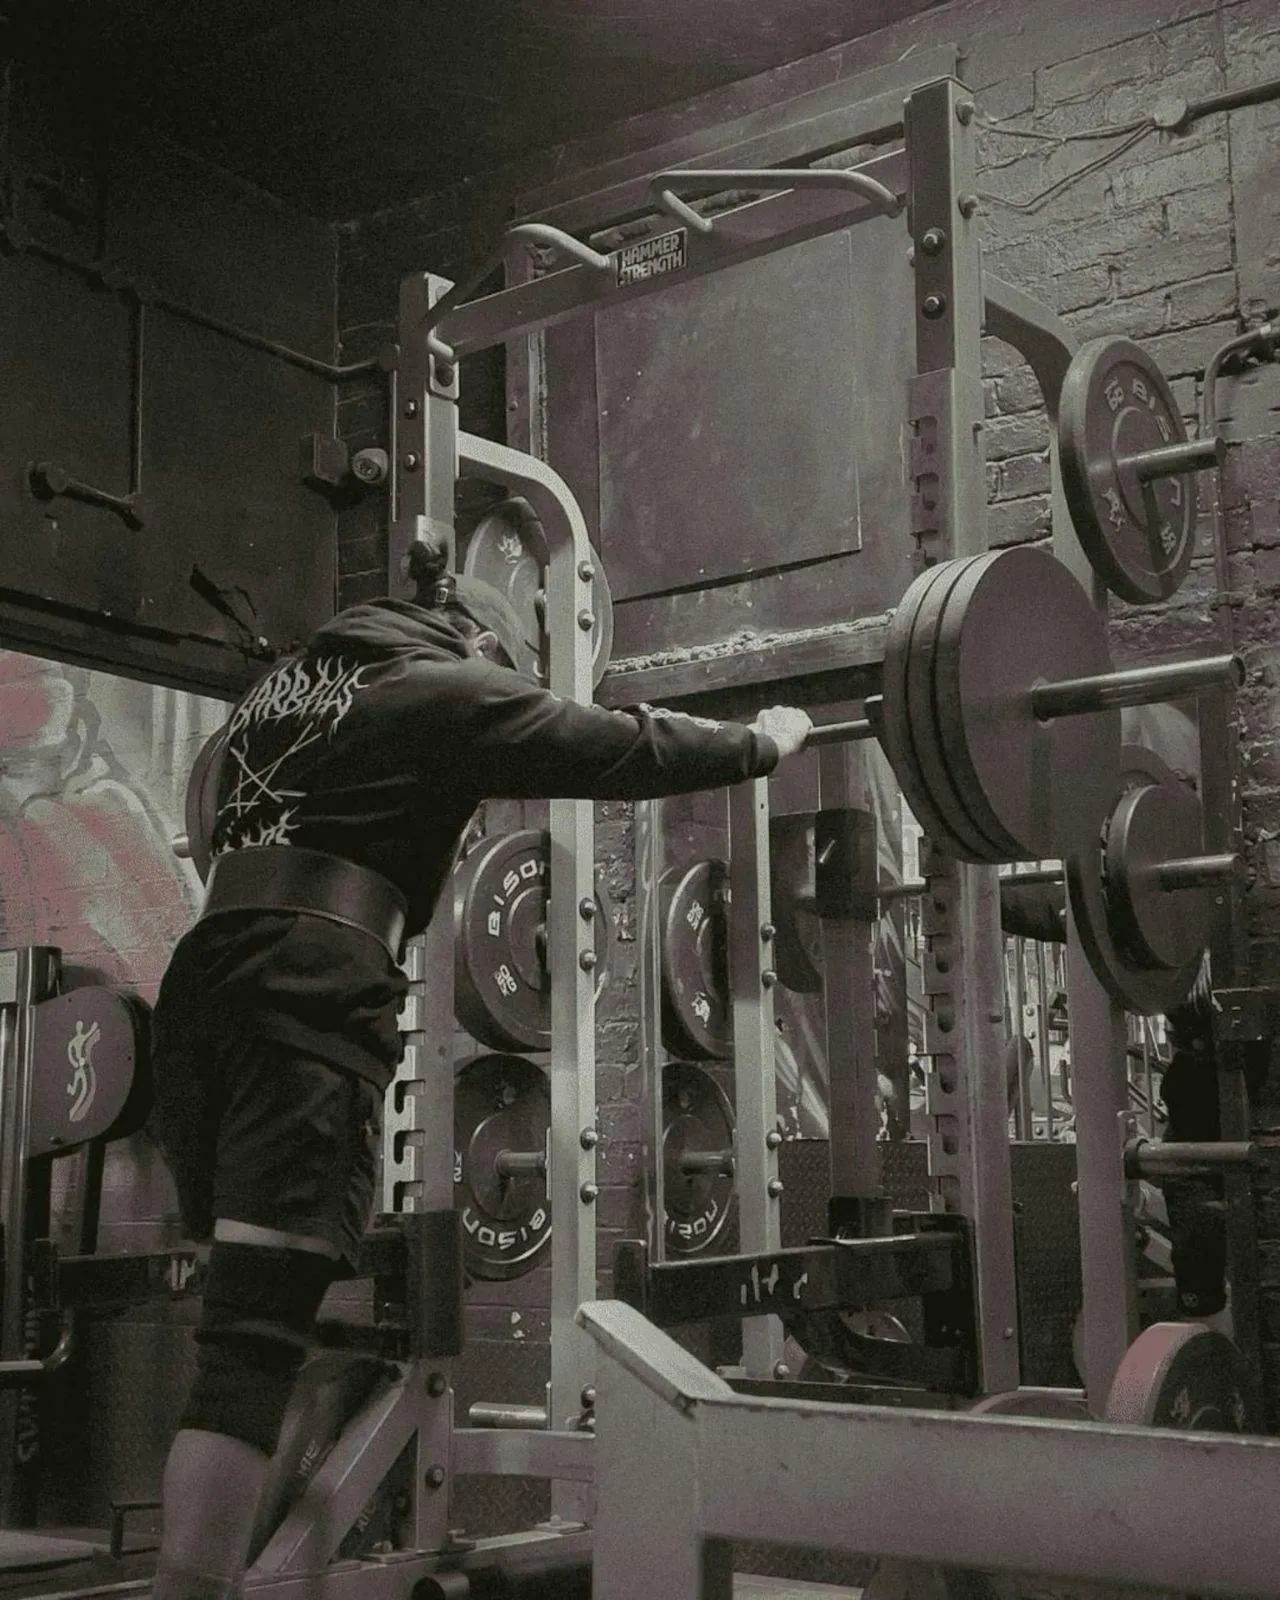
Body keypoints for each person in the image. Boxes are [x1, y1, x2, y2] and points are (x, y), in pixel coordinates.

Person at [148, 542, 813, 1600]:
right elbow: (605, 748)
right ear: (481, 644)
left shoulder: (274, 692)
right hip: (303, 998)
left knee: (256, 1323)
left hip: (200, 999)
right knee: (251, 1345)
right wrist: (756, 744)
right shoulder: (439, 690)